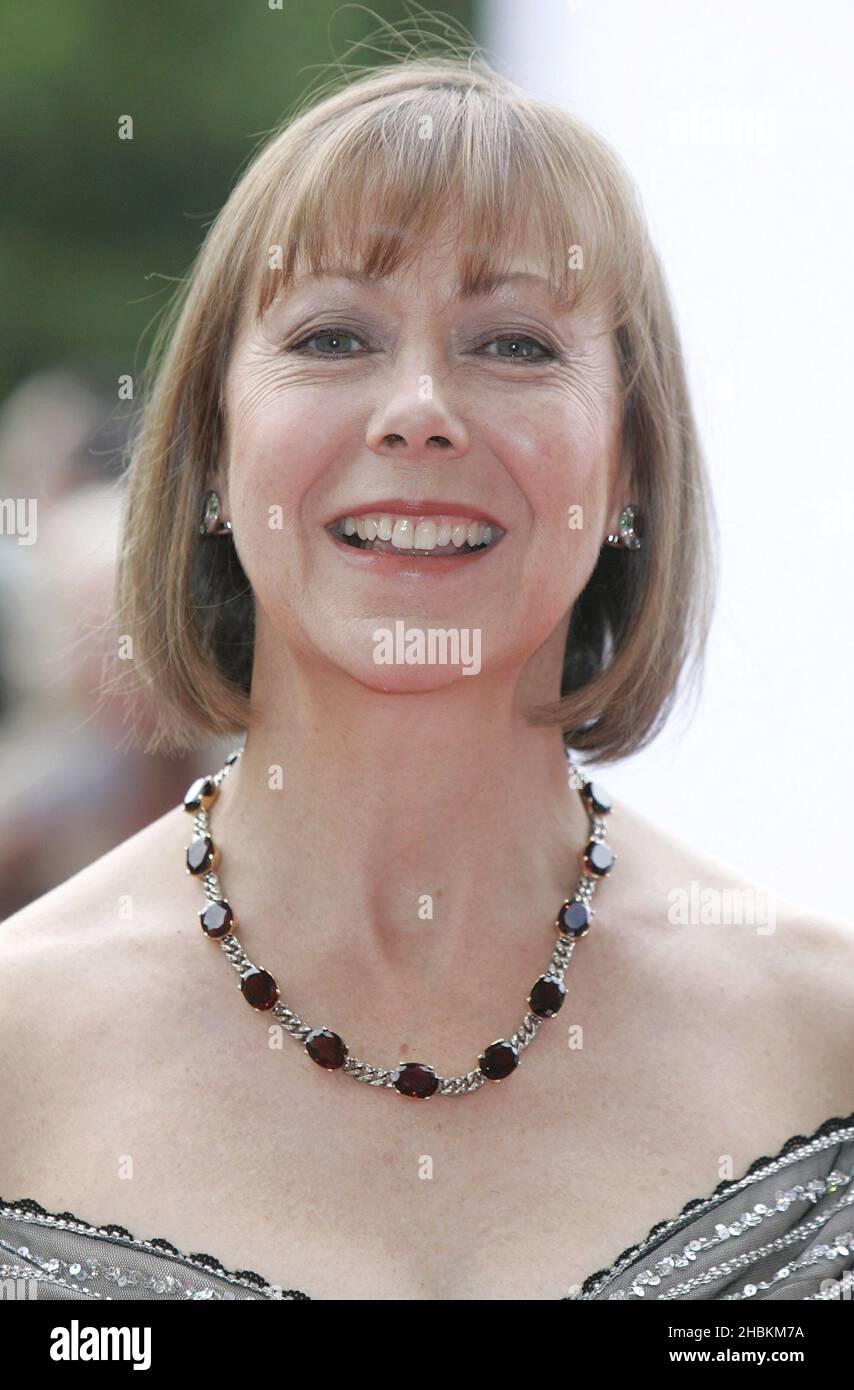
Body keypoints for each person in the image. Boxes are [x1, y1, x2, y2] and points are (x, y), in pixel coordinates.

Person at [1, 48, 852, 1304]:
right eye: (332, 334)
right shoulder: (21, 1050)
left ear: (628, 470)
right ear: (210, 458)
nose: (417, 410)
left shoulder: (821, 1043)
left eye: (511, 342)